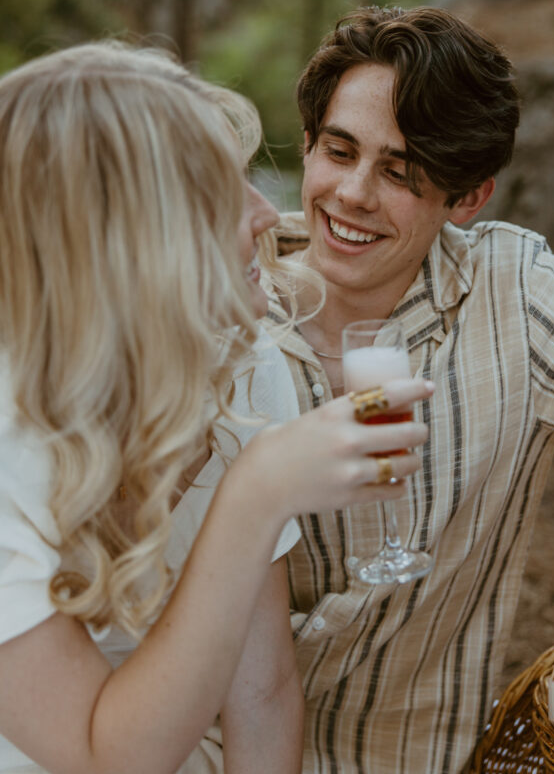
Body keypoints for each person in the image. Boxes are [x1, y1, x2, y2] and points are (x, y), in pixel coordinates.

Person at [261, 5, 554, 774]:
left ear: (465, 200)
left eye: (399, 172)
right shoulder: (215, 302)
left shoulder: (511, 296)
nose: (351, 194)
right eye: (338, 150)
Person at [0, 41, 434, 774]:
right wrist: (253, 495)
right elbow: (102, 759)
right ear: (134, 244)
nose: (269, 213)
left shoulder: (236, 358)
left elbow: (259, 691)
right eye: (224, 192)